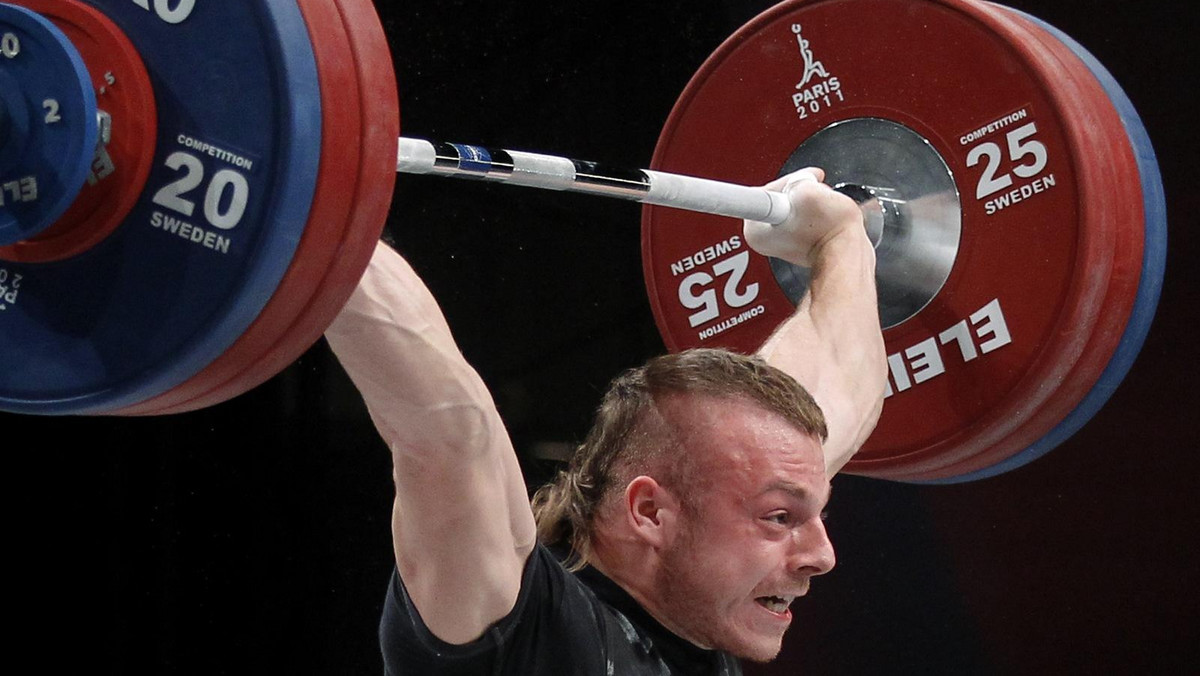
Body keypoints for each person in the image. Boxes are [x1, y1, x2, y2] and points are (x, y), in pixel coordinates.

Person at [324, 168, 887, 674]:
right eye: (780, 516)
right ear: (650, 512)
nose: (823, 554)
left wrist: (840, 237)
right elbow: (449, 428)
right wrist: (318, 206)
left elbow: (838, 378)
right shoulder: (522, 635)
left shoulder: (698, 609)